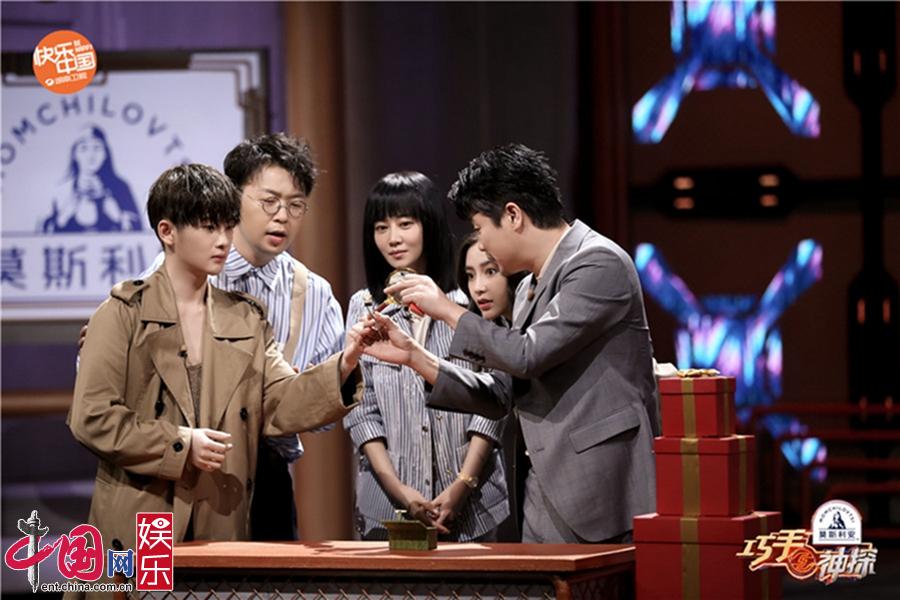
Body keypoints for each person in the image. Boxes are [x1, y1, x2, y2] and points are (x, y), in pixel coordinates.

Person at [68, 165, 363, 591]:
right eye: (209, 227)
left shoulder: (245, 317)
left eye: (227, 226)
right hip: (146, 513)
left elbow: (280, 400)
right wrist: (180, 444)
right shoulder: (122, 314)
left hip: (222, 508)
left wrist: (345, 364)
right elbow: (92, 416)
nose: (223, 240)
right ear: (167, 232)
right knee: (149, 593)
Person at [366, 143, 660, 544]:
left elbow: (528, 354)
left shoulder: (598, 262)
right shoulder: (526, 289)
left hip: (603, 491)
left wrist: (447, 310)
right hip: (542, 491)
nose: (481, 242)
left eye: (481, 227)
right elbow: (504, 391)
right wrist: (416, 358)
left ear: (513, 215)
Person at [136, 133, 345, 540]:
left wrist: (304, 390)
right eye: (269, 201)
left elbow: (323, 414)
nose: (282, 216)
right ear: (233, 198)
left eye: (296, 205)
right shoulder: (181, 268)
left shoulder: (314, 293)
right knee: (165, 576)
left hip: (266, 475)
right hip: (178, 467)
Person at [343, 171, 508, 541]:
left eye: (405, 224)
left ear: (429, 225)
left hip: (474, 506)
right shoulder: (364, 307)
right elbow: (361, 410)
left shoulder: (470, 301)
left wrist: (462, 485)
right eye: (381, 227)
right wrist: (400, 492)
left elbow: (493, 404)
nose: (393, 238)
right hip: (386, 508)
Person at [43, 125, 141, 232]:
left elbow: (138, 229)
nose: (91, 155)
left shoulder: (120, 188)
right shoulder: (62, 190)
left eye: (97, 148)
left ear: (106, 154)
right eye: (84, 148)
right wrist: (62, 218)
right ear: (74, 154)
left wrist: (118, 217)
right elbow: (43, 232)